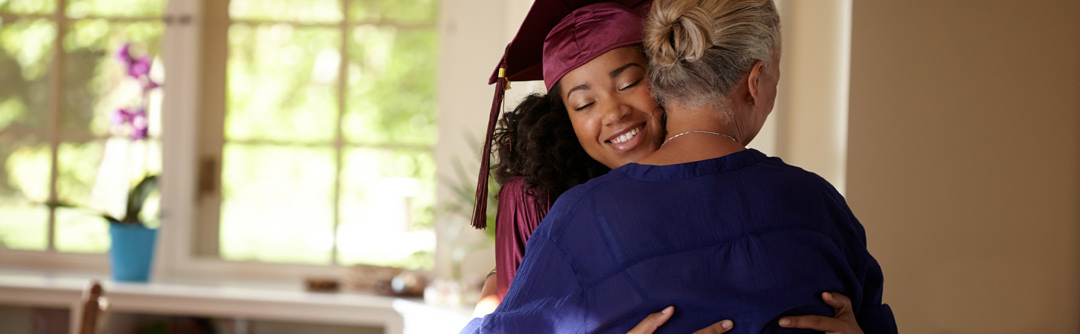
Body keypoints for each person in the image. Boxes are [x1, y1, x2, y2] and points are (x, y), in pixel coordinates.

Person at [460, 0, 898, 332]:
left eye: (629, 82)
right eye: (584, 103)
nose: (613, 113)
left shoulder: (580, 222)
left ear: (661, 75)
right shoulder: (816, 202)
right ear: (756, 81)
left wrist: (486, 310)